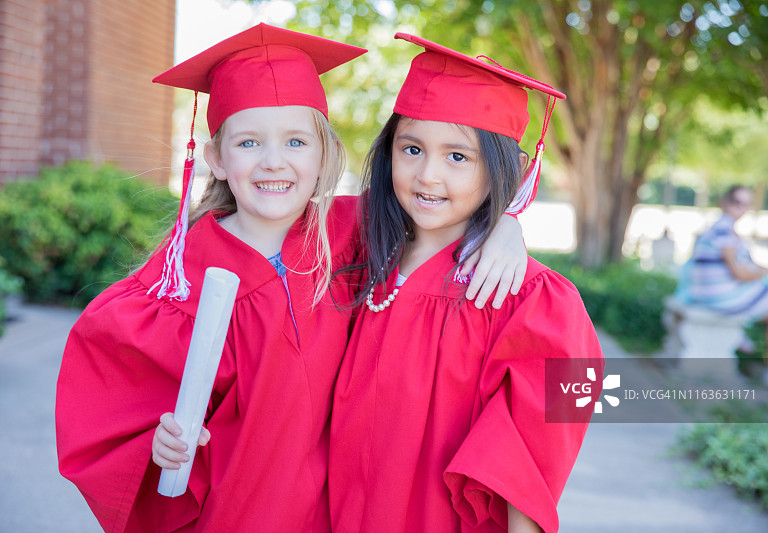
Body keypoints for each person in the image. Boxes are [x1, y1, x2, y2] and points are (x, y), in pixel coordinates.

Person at [56, 24, 527, 533]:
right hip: (235, 516)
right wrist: (156, 441)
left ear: (323, 152)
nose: (273, 161)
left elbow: (438, 206)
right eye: (249, 141)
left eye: (296, 141)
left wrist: (506, 223)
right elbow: (110, 403)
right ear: (215, 157)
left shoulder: (350, 236)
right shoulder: (178, 282)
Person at [328, 34, 603, 533]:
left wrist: (510, 221)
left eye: (458, 157)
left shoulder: (528, 298)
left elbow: (536, 454)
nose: (427, 175)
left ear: (510, 171)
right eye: (411, 148)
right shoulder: (353, 246)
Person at [676, 185, 768, 350]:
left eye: (746, 203)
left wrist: (760, 271)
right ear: (724, 202)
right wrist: (763, 273)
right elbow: (739, 273)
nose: (740, 207)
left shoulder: (721, 228)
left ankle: (743, 338)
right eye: (736, 201)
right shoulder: (724, 230)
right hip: (718, 297)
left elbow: (746, 265)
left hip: (707, 293)